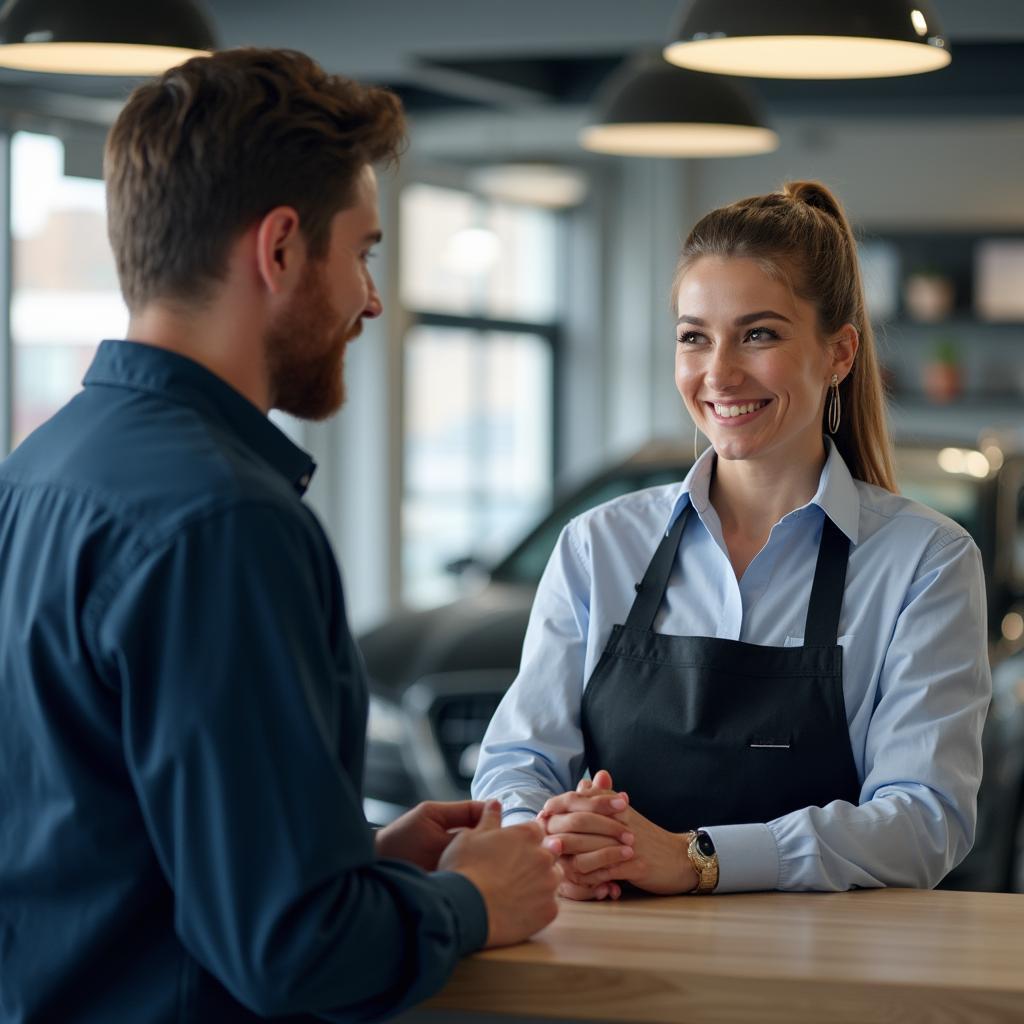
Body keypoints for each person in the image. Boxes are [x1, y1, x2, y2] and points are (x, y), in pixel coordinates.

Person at [0, 48, 561, 1024]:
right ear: (281, 248)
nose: (371, 300)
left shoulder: (39, 472)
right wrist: (473, 902)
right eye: (365, 252)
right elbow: (293, 953)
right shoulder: (225, 520)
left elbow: (98, 846)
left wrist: (354, 858)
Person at [472, 181, 991, 901]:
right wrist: (556, 838)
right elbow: (518, 761)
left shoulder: (923, 562)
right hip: (608, 960)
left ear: (838, 354)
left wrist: (697, 858)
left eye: (760, 334)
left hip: (820, 983)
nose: (718, 372)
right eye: (694, 336)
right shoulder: (599, 546)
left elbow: (924, 820)